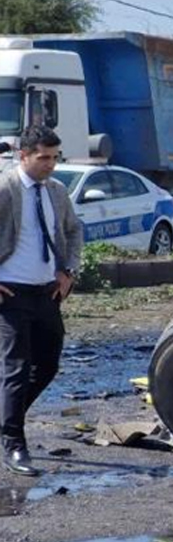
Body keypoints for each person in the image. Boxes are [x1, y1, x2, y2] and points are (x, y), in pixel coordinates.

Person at [0, 126, 82, 476]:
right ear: (24, 156)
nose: (50, 164)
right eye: (43, 158)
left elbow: (74, 230)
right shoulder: (5, 188)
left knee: (47, 365)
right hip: (10, 292)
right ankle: (14, 444)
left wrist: (69, 272)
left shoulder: (57, 190)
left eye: (54, 157)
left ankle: (6, 419)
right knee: (16, 367)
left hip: (47, 291)